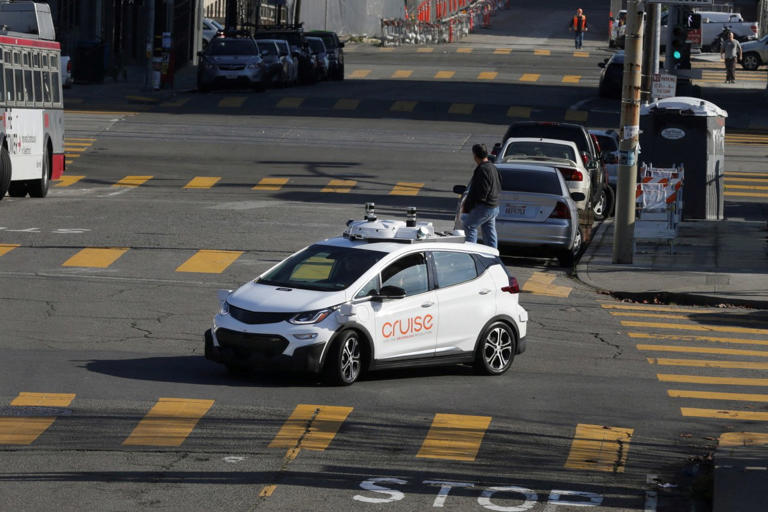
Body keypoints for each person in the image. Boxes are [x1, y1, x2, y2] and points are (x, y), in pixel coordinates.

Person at [461, 144, 500, 248]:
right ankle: (493, 255)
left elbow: (481, 192)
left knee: (469, 226)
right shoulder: (492, 167)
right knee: (489, 230)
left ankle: (471, 252)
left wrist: (470, 205)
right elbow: (498, 185)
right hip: (494, 206)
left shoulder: (482, 169)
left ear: (475, 156)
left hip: (484, 207)